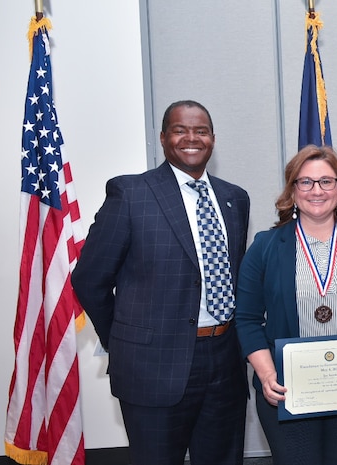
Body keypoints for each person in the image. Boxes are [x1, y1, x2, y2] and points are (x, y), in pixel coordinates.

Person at [72, 100, 250, 465]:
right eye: (180, 130)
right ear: (163, 137)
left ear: (213, 139)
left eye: (200, 131)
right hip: (151, 365)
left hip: (225, 361)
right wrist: (123, 340)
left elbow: (234, 274)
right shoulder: (131, 194)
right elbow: (90, 279)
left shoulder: (235, 198)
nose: (191, 138)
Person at [235, 144, 337, 465]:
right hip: (288, 388)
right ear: (292, 190)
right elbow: (247, 319)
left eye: (326, 181)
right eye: (305, 182)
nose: (316, 190)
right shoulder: (266, 247)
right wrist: (267, 376)